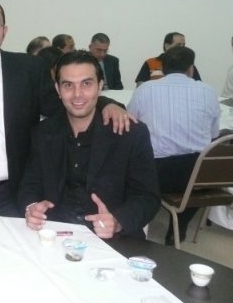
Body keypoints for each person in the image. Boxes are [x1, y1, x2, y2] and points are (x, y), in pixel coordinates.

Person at [0, 0, 131, 217]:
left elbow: (65, 103)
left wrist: (106, 103)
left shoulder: (29, 69)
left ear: (4, 30)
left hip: (15, 195)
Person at [19, 51, 160, 239]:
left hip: (113, 240)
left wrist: (117, 221)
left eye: (86, 84)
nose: (77, 94)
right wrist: (31, 207)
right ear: (58, 89)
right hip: (53, 235)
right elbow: (30, 184)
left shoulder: (130, 133)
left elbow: (147, 197)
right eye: (68, 85)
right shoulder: (42, 133)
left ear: (100, 86)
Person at [128, 46, 220, 245]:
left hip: (156, 173)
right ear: (191, 69)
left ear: (162, 68)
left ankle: (142, 222)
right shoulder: (208, 91)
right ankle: (179, 227)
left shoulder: (145, 90)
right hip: (198, 175)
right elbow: (214, 136)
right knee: (195, 180)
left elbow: (129, 126)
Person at [135, 32, 201, 85]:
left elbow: (198, 84)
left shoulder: (188, 64)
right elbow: (140, 86)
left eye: (183, 45)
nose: (182, 48)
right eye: (178, 45)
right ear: (166, 46)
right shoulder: (151, 63)